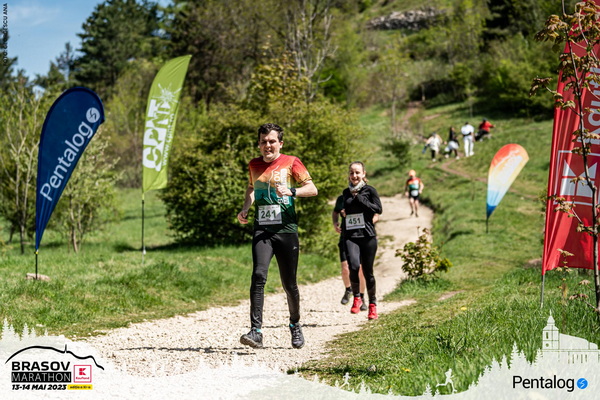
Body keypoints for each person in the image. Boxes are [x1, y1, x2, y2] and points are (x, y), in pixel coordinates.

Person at [237, 123, 318, 349]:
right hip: (262, 229)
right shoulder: (254, 164)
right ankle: (256, 331)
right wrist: (245, 208)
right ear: (259, 144)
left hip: (286, 230)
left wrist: (292, 191)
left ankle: (295, 324)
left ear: (280, 143)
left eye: (272, 141)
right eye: (263, 141)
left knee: (289, 284)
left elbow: (312, 189)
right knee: (258, 276)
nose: (267, 145)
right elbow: (251, 188)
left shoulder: (292, 162)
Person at [342, 162, 382, 320]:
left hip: (367, 236)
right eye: (352, 173)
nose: (354, 176)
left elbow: (378, 209)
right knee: (353, 266)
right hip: (351, 236)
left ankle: (372, 305)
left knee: (368, 272)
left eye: (357, 173)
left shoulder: (370, 190)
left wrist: (360, 199)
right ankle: (357, 297)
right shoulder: (346, 192)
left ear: (364, 174)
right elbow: (347, 211)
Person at [333, 195, 369, 310]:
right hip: (346, 237)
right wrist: (335, 223)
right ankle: (348, 289)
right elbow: (335, 212)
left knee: (360, 270)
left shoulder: (366, 197)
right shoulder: (342, 198)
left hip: (361, 238)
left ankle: (361, 297)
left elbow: (375, 214)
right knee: (345, 268)